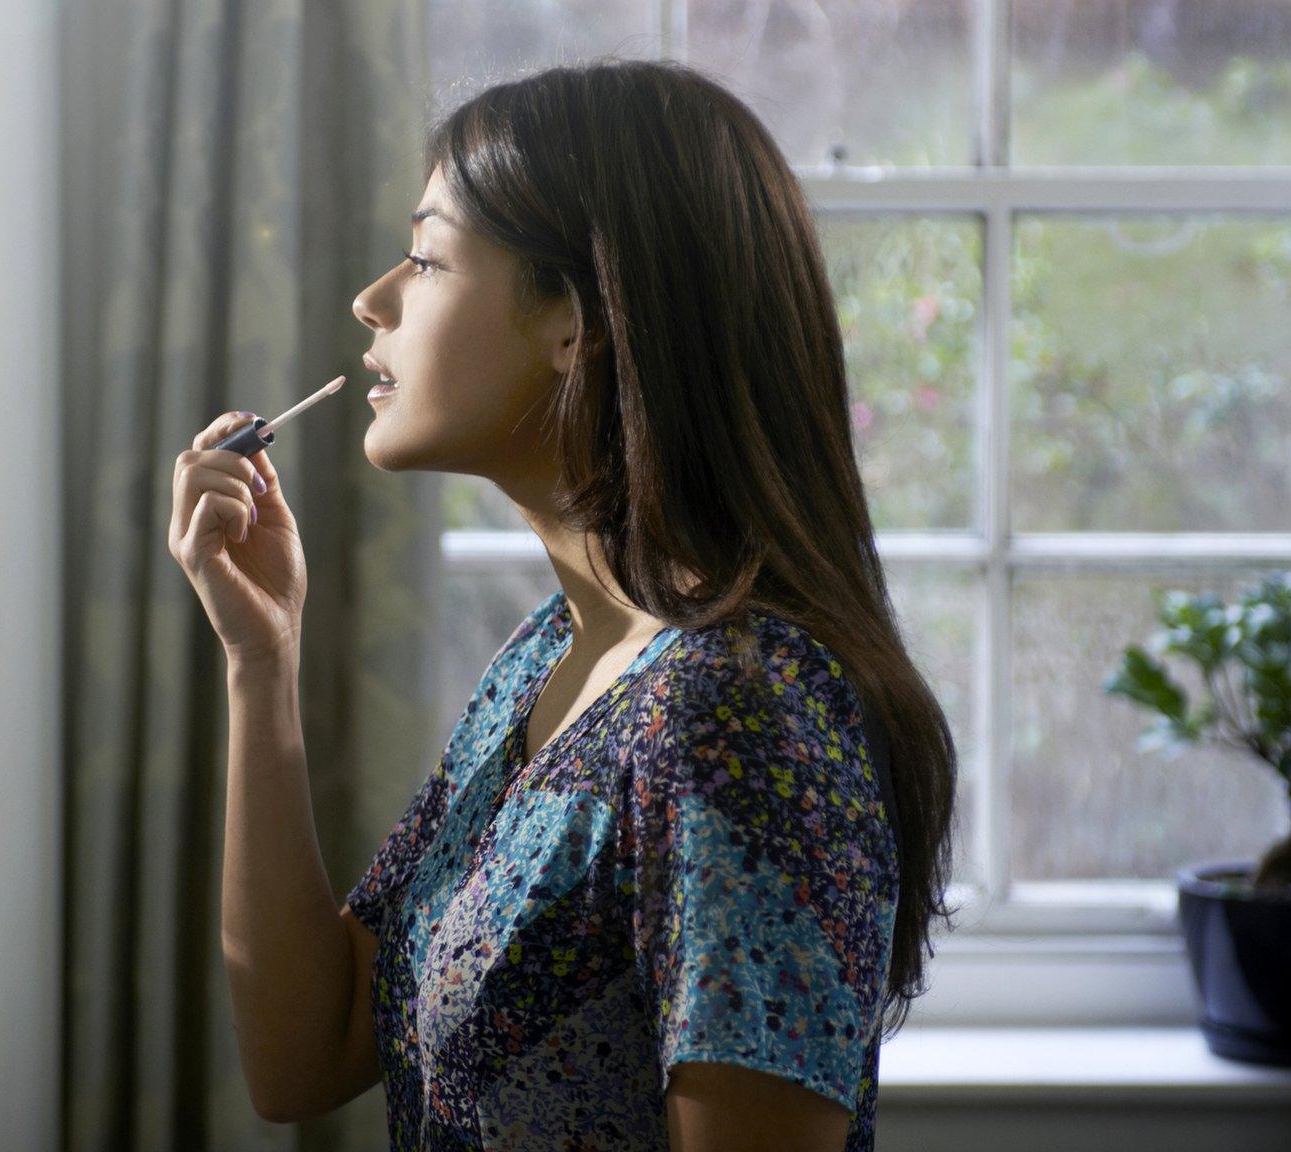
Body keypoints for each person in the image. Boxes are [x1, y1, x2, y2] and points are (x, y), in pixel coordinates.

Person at [168, 56, 958, 1152]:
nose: (371, 299)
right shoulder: (554, 659)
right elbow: (307, 1052)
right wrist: (262, 660)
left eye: (424, 256)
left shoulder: (736, 722)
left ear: (572, 322)